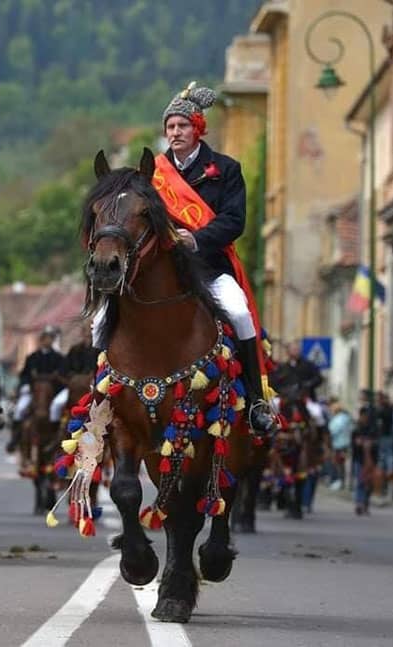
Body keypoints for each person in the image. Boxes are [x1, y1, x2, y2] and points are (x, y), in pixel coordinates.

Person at [109, 81, 275, 435]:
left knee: (241, 314)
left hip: (211, 269)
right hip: (159, 271)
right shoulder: (151, 174)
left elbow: (234, 221)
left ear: (197, 128)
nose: (175, 132)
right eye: (170, 126)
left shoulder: (226, 169)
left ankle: (256, 403)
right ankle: (103, 397)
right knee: (101, 319)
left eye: (182, 126)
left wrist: (196, 240)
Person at [10, 326, 66, 443]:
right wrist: (26, 385)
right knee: (20, 408)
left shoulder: (59, 358)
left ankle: (56, 435)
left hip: (52, 393)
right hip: (33, 391)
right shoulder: (32, 358)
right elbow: (24, 375)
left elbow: (61, 375)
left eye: (51, 338)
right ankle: (15, 438)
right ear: (41, 340)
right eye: (46, 338)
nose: (48, 341)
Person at [49, 327, 99, 424]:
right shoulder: (74, 350)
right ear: (82, 333)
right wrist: (72, 379)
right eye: (86, 331)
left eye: (90, 330)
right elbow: (63, 370)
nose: (88, 333)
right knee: (56, 404)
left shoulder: (99, 350)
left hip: (93, 388)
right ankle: (57, 432)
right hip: (73, 388)